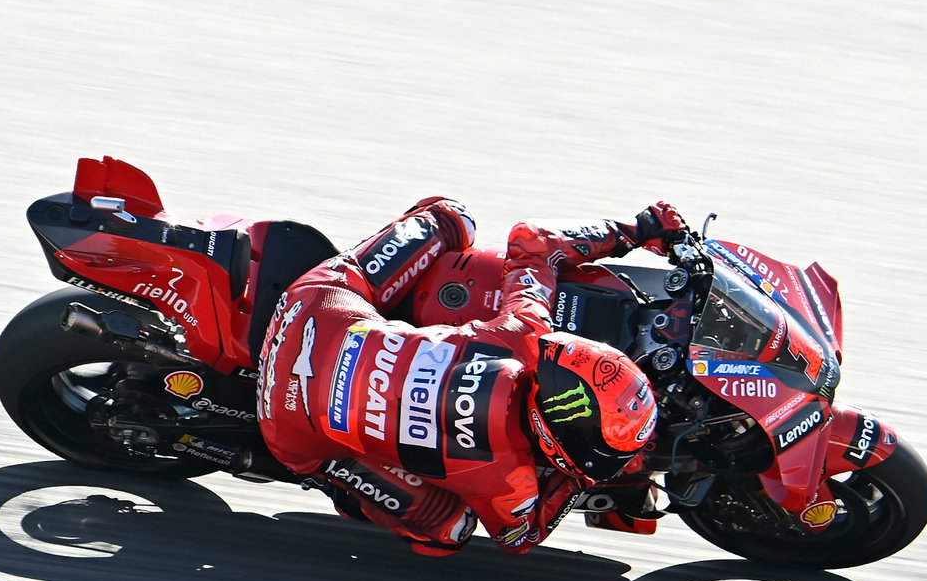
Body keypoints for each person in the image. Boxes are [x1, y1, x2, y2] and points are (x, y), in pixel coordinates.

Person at [255, 195, 690, 555]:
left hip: (314, 309)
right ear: (556, 433)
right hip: (287, 426)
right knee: (448, 532)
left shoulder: (522, 334)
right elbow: (522, 537)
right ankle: (330, 478)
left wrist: (638, 228)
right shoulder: (506, 477)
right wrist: (583, 477)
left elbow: (533, 241)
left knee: (452, 218)